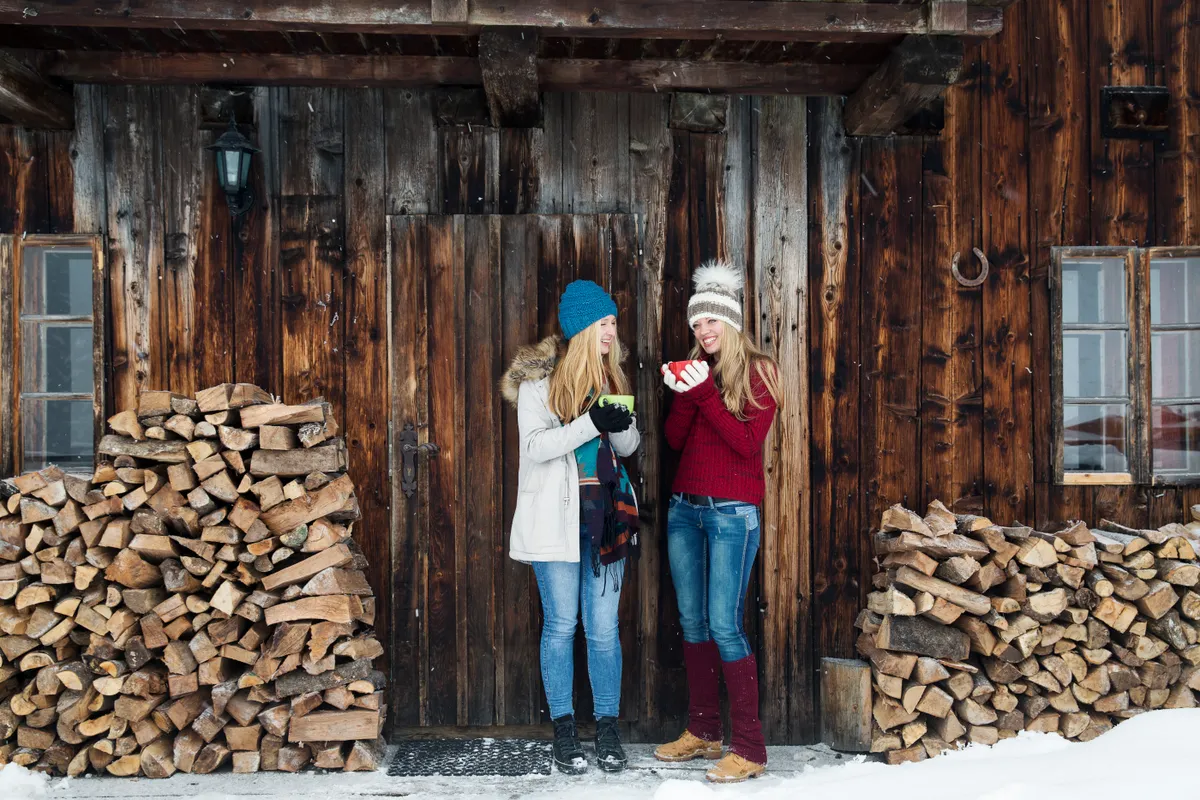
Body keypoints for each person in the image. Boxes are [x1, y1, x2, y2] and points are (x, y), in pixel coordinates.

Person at [500, 279, 641, 775]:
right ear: (583, 327)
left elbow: (626, 450)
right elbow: (536, 447)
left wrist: (618, 424)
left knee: (602, 630)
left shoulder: (612, 380)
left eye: (613, 323)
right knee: (561, 625)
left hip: (606, 520)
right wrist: (590, 422)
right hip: (554, 522)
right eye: (604, 323)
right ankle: (564, 731)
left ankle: (607, 728)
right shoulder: (537, 388)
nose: (611, 332)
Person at [653, 261, 781, 783]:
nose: (703, 332)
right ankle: (704, 731)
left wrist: (703, 391)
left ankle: (749, 747)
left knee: (726, 625)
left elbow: (747, 443)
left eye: (712, 322)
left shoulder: (760, 371)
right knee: (694, 621)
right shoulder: (696, 370)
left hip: (732, 513)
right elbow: (675, 440)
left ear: (731, 323)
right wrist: (685, 391)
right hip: (686, 509)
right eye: (697, 324)